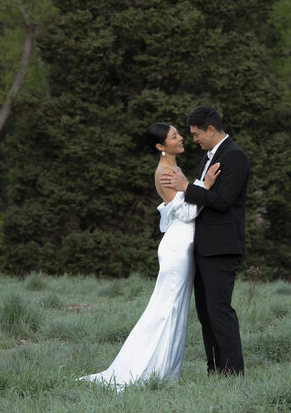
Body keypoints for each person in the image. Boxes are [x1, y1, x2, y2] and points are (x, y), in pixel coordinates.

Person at [79, 122, 219, 388]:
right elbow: (187, 213)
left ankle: (165, 373)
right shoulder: (165, 172)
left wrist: (193, 186)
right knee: (167, 309)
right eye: (174, 136)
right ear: (160, 146)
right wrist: (205, 185)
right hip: (177, 247)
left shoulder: (174, 168)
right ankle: (145, 370)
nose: (181, 138)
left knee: (176, 311)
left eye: (179, 134)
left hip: (185, 246)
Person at [160, 104, 249, 375]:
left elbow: (222, 201)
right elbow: (201, 198)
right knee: (206, 314)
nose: (194, 139)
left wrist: (187, 187)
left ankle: (233, 374)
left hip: (222, 248)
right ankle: (215, 370)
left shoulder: (235, 156)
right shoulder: (207, 157)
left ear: (211, 129)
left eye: (197, 133)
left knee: (219, 311)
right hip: (203, 247)